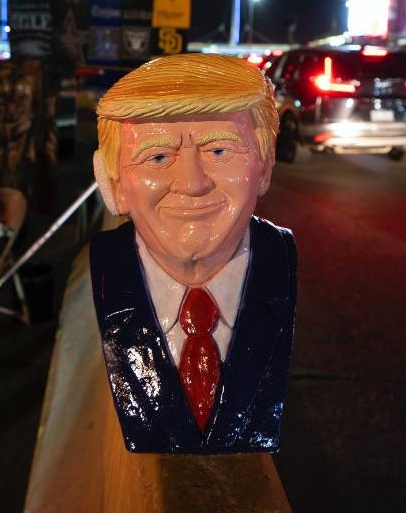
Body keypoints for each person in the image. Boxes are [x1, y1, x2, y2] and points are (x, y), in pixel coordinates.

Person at [89, 54, 297, 454]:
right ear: (111, 183)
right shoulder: (103, 271)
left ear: (265, 167)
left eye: (219, 151)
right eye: (157, 157)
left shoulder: (279, 264)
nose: (192, 183)